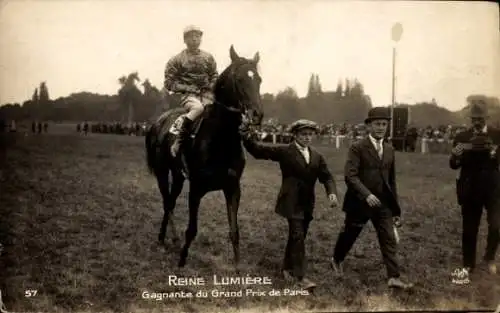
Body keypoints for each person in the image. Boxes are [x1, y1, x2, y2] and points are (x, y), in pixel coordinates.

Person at [239, 118, 339, 290]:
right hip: (290, 201)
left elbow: (327, 176)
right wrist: (246, 137)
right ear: (295, 135)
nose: (307, 138)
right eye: (303, 134)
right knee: (298, 236)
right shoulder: (286, 151)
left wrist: (331, 193)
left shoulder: (316, 156)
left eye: (310, 134)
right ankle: (301, 278)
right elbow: (258, 151)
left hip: (307, 203)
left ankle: (287, 268)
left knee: (297, 237)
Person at [331, 107, 413, 289]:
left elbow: (392, 181)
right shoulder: (357, 147)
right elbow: (350, 176)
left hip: (383, 204)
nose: (381, 127)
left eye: (384, 124)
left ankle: (394, 276)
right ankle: (336, 259)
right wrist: (366, 194)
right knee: (350, 234)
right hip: (359, 202)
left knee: (389, 238)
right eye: (377, 124)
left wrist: (395, 208)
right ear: (368, 126)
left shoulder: (390, 149)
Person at [449, 100, 500, 280]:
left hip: (493, 187)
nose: (477, 122)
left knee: (496, 225)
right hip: (470, 186)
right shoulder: (462, 136)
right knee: (470, 228)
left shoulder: (497, 135)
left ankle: (489, 257)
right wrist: (455, 156)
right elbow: (453, 165)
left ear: (487, 117)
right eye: (474, 119)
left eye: (480, 119)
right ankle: (468, 263)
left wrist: (496, 153)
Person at [164, 25, 218, 176]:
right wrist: (188, 88)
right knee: (198, 109)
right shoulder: (176, 60)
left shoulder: (208, 57)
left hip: (208, 95)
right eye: (191, 36)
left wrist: (211, 85)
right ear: (184, 39)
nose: (194, 39)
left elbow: (214, 74)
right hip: (189, 97)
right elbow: (169, 82)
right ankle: (178, 142)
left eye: (197, 36)